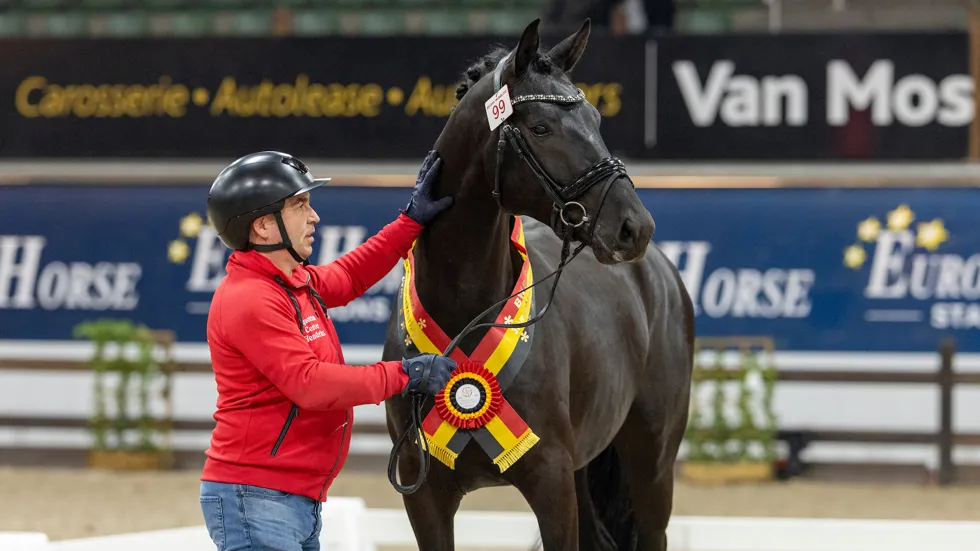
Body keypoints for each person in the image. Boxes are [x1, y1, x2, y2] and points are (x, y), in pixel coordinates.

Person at [198, 150, 457, 551]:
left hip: (282, 498)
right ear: (264, 226)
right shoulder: (251, 299)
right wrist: (403, 375)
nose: (314, 217)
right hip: (258, 499)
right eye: (300, 205)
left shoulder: (292, 283)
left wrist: (409, 223)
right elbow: (310, 384)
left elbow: (350, 274)